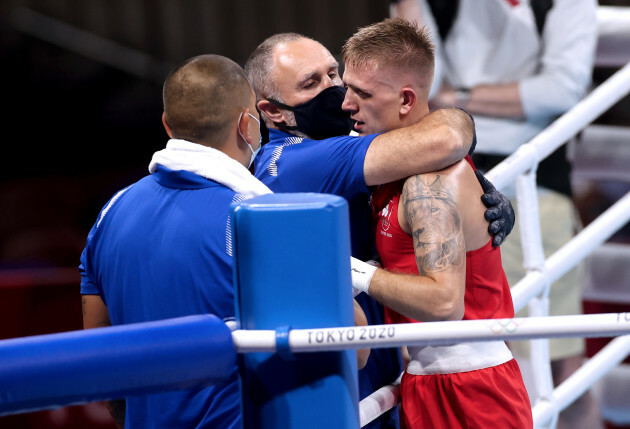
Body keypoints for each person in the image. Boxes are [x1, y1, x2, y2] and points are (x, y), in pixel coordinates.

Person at [79, 54, 369, 428]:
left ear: (167, 125)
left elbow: (100, 361)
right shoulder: (266, 220)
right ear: (246, 125)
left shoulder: (110, 214)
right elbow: (356, 345)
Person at [245, 32, 515, 428]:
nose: (339, 97)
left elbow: (444, 302)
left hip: (457, 383)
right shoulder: (300, 161)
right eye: (311, 83)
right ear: (274, 111)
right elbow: (445, 137)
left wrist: (472, 188)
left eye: (335, 76)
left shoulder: (409, 175)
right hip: (382, 378)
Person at [391, 1, 601, 428]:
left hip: (535, 185)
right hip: (447, 175)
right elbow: (416, 81)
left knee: (559, 363)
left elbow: (561, 88)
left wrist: (459, 99)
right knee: (450, 348)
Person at [342, 18, 532, 428]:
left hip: (474, 389)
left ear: (406, 100)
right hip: (426, 378)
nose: (346, 104)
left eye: (363, 92)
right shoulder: (392, 173)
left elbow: (445, 304)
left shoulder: (429, 181)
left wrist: (351, 270)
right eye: (347, 88)